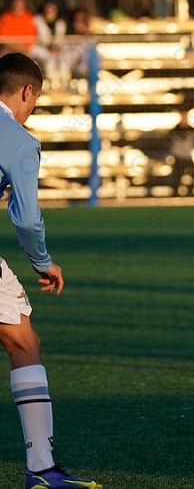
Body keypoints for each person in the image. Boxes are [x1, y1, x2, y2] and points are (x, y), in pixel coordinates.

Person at [0, 52, 102, 488]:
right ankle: (41, 470)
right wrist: (43, 262)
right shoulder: (19, 140)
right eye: (36, 100)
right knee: (24, 343)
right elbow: (25, 219)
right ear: (27, 91)